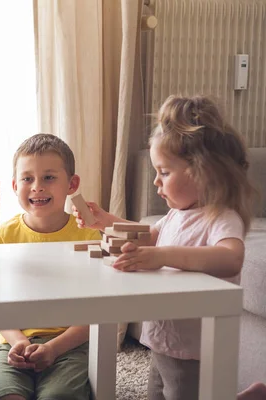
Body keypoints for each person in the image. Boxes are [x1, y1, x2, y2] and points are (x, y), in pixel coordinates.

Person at [73, 95, 257, 400]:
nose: (157, 182)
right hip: (161, 339)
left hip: (192, 348)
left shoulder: (221, 217)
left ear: (204, 172)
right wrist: (106, 222)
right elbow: (146, 236)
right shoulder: (177, 213)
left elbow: (230, 258)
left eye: (165, 172)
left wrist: (161, 256)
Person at [0, 133, 101, 400]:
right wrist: (18, 341)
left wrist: (54, 348)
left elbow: (96, 311)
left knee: (58, 396)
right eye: (27, 179)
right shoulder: (3, 235)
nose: (37, 187)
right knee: (4, 395)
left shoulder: (89, 235)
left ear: (72, 184)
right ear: (15, 185)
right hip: (12, 344)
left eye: (49, 177)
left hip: (69, 344)